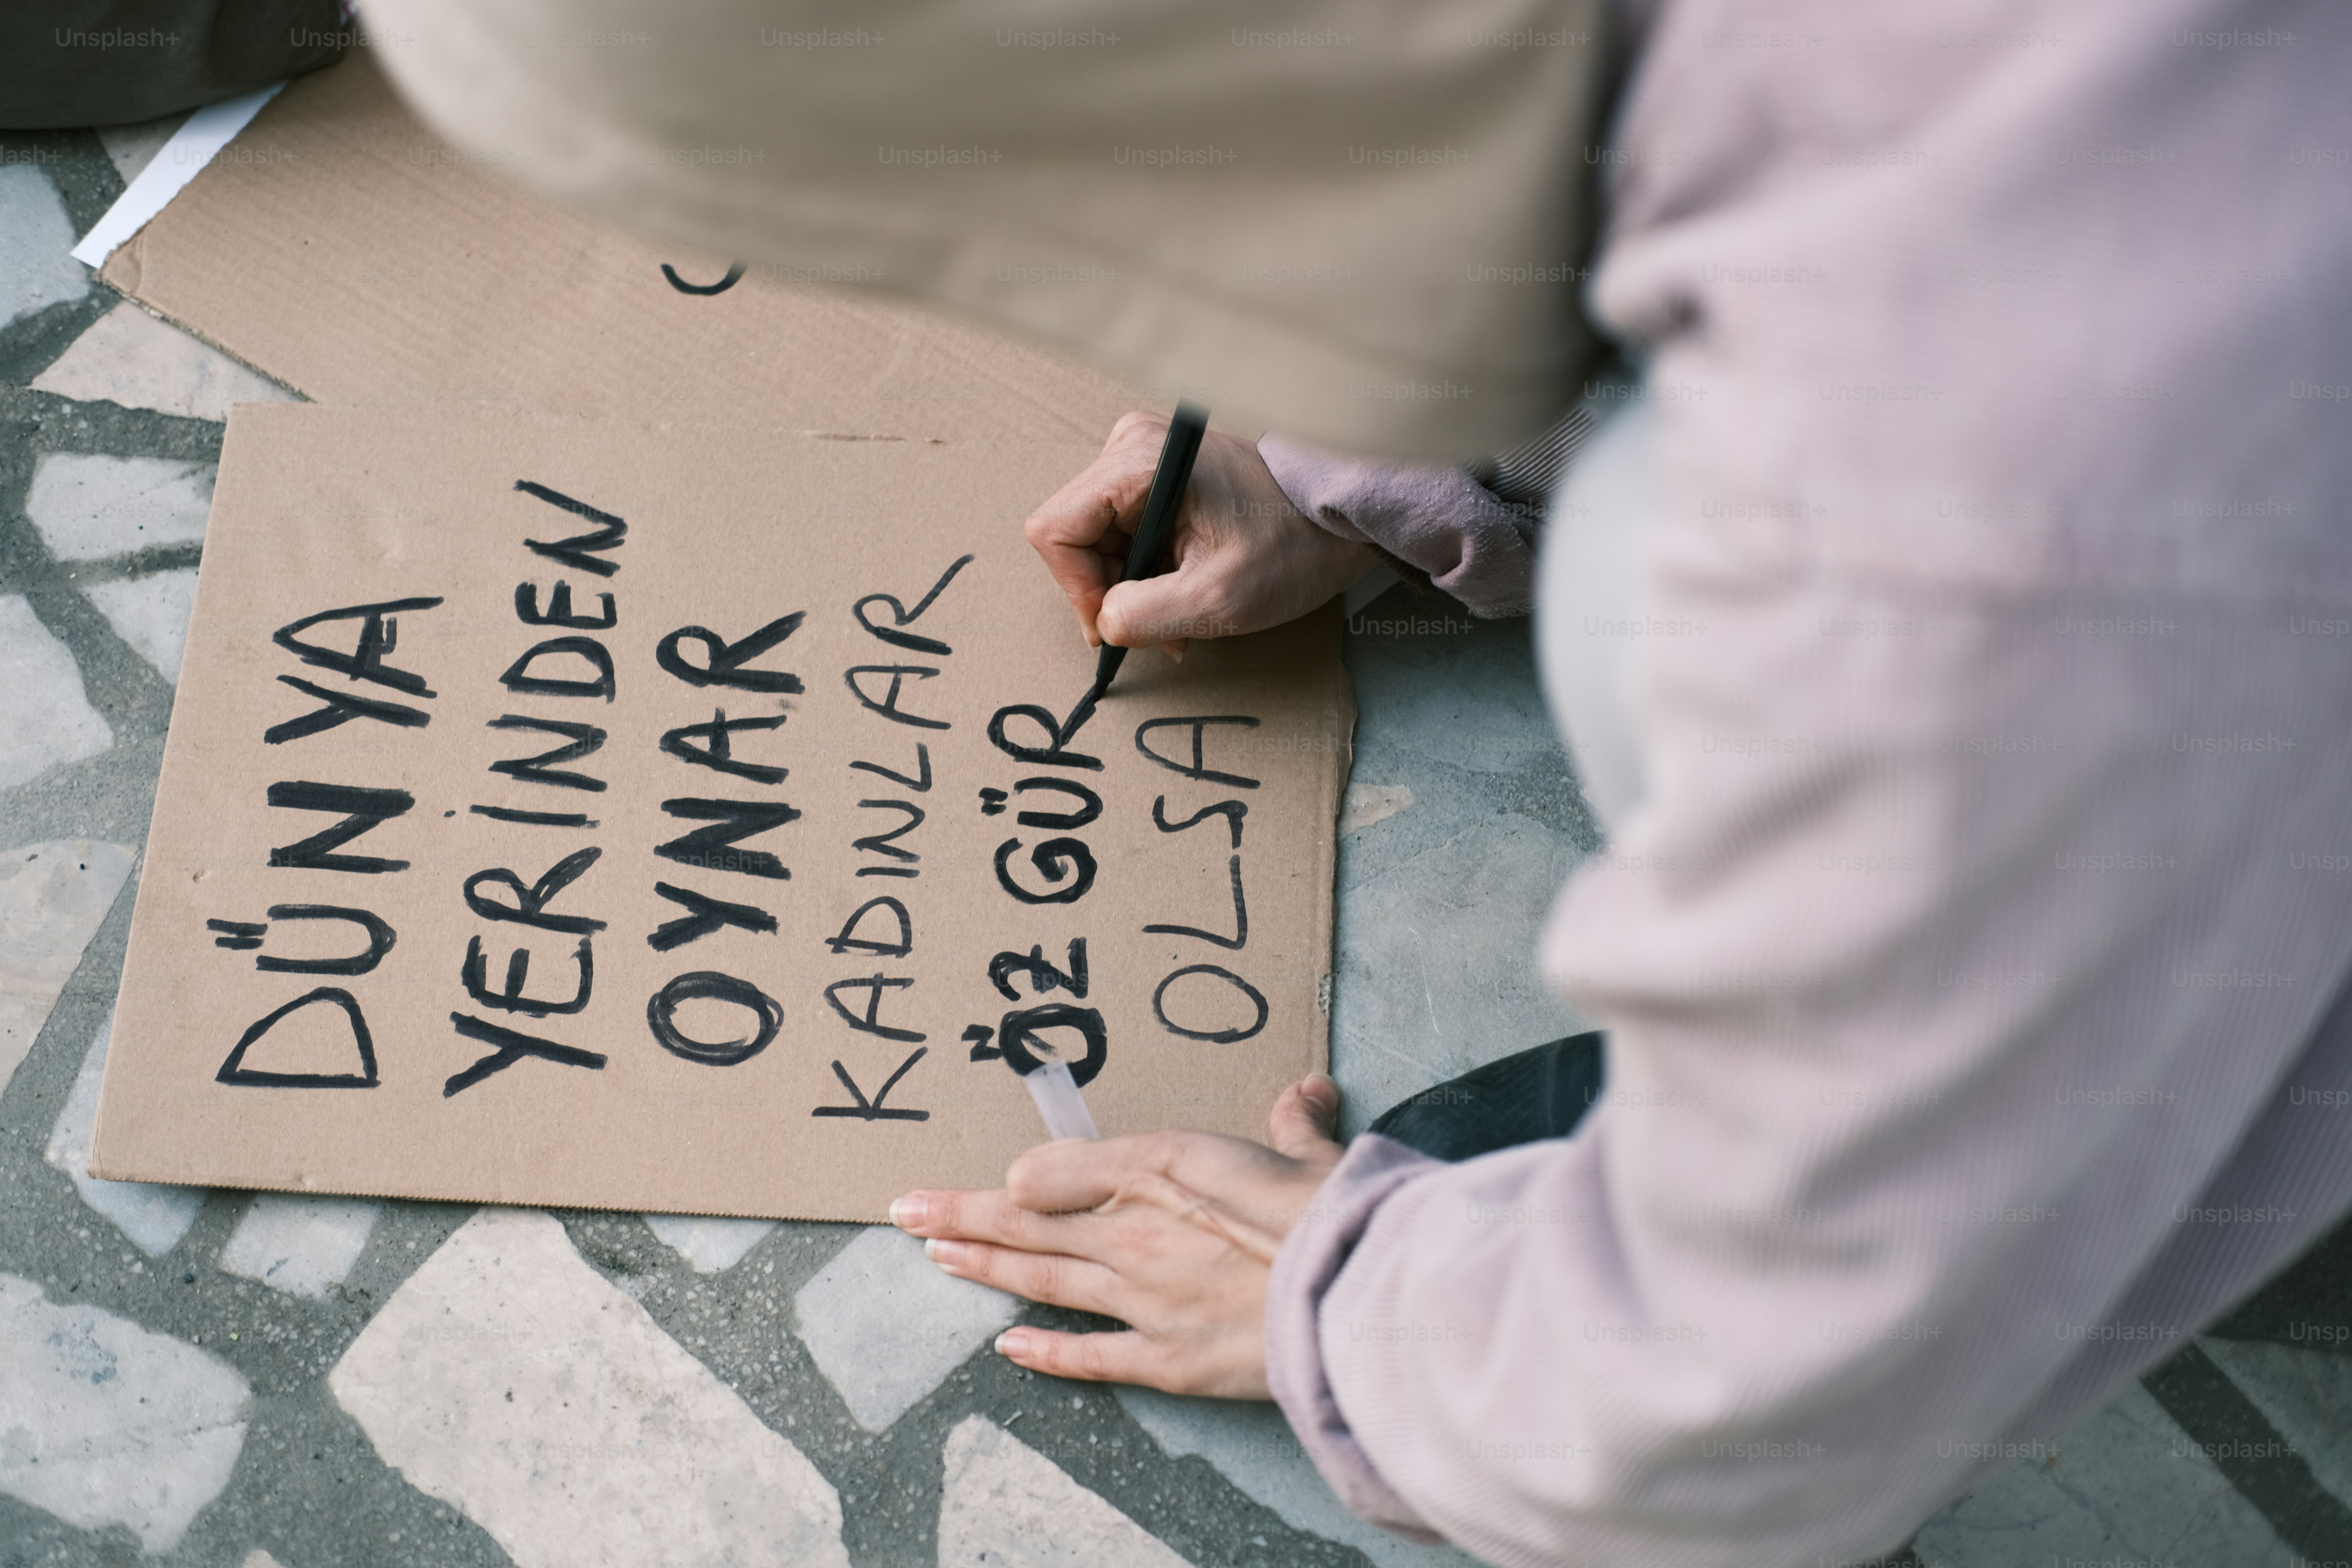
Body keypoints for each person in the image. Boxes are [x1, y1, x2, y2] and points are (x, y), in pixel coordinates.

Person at [363, 1, 2352, 1562]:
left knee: (1664, 602)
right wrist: (1366, 445)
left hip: (2191, 631)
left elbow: (1766, 1402)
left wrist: (1359, 1313)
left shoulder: (1973, 531)